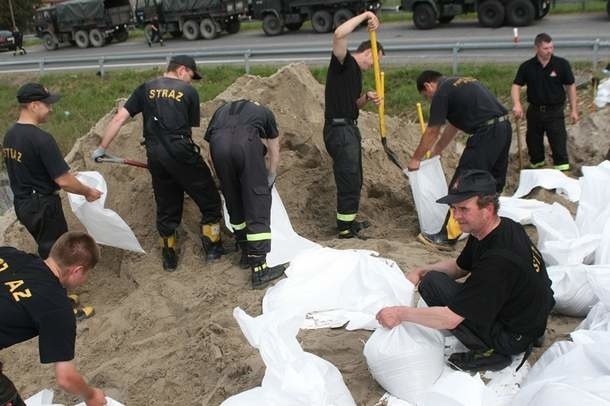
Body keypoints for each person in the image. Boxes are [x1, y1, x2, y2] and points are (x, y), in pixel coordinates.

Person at [377, 170, 554, 372]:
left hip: (513, 335)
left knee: (433, 288)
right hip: (530, 315)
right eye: (454, 208)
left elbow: (450, 318)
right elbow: (460, 267)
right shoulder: (499, 228)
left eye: (463, 209)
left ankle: (493, 352)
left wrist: (400, 313)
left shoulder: (499, 260)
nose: (456, 216)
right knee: (431, 279)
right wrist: (421, 271)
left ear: (487, 209)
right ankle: (526, 333)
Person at [92, 55, 225, 272]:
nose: (190, 81)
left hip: (155, 155)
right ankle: (213, 249)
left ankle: (169, 257)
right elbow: (187, 130)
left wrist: (102, 148)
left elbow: (119, 119)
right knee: (209, 197)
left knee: (166, 206)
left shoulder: (144, 89)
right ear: (182, 70)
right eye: (191, 75)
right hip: (181, 150)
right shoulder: (188, 92)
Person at [407, 71, 511, 250]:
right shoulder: (459, 84)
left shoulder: (442, 92)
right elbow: (453, 126)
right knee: (491, 183)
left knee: (463, 184)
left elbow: (433, 130)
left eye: (426, 97)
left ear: (428, 86)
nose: (430, 100)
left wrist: (416, 158)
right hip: (503, 128)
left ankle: (447, 236)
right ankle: (490, 229)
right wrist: (438, 150)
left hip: (485, 134)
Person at [0, 231, 107, 406]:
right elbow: (66, 378)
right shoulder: (57, 308)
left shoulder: (8, 253)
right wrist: (91, 396)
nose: (85, 279)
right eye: (87, 274)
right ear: (77, 270)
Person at [3, 83, 103, 260]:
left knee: (46, 247)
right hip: (43, 207)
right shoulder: (42, 140)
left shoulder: (10, 135)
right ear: (34, 105)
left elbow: (29, 168)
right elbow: (64, 181)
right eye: (47, 104)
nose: (51, 109)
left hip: (22, 204)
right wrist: (87, 191)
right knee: (57, 254)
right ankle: (54, 284)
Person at [204, 100, 287, 288]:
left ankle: (244, 253)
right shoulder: (265, 112)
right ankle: (259, 269)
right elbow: (274, 150)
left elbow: (209, 155)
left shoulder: (220, 112)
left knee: (234, 202)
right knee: (257, 204)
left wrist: (222, 180)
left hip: (219, 148)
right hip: (246, 146)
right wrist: (270, 177)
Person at [324, 11, 384, 239]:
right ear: (370, 52)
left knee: (355, 177)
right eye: (376, 61)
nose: (374, 67)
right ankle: (345, 229)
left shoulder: (355, 74)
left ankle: (349, 221)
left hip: (348, 127)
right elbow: (339, 33)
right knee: (348, 176)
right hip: (338, 130)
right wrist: (367, 15)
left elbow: (353, 105)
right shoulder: (343, 62)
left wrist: (366, 97)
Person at [511, 32, 579, 172]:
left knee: (558, 143)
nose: (549, 51)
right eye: (546, 48)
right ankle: (537, 169)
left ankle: (562, 171)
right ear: (537, 48)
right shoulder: (527, 67)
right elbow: (516, 85)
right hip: (535, 111)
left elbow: (570, 86)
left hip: (555, 112)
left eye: (551, 48)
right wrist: (517, 104)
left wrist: (573, 109)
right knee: (533, 143)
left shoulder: (561, 64)